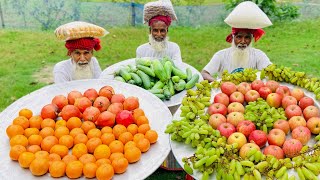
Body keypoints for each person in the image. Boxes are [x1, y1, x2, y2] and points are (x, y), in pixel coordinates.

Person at [201, 27, 272, 82]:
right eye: (239, 37)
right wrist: (218, 83)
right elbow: (204, 73)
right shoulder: (221, 55)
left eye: (247, 37)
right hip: (225, 94)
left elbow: (270, 71)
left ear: (251, 39)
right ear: (233, 37)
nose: (243, 41)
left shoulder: (258, 55)